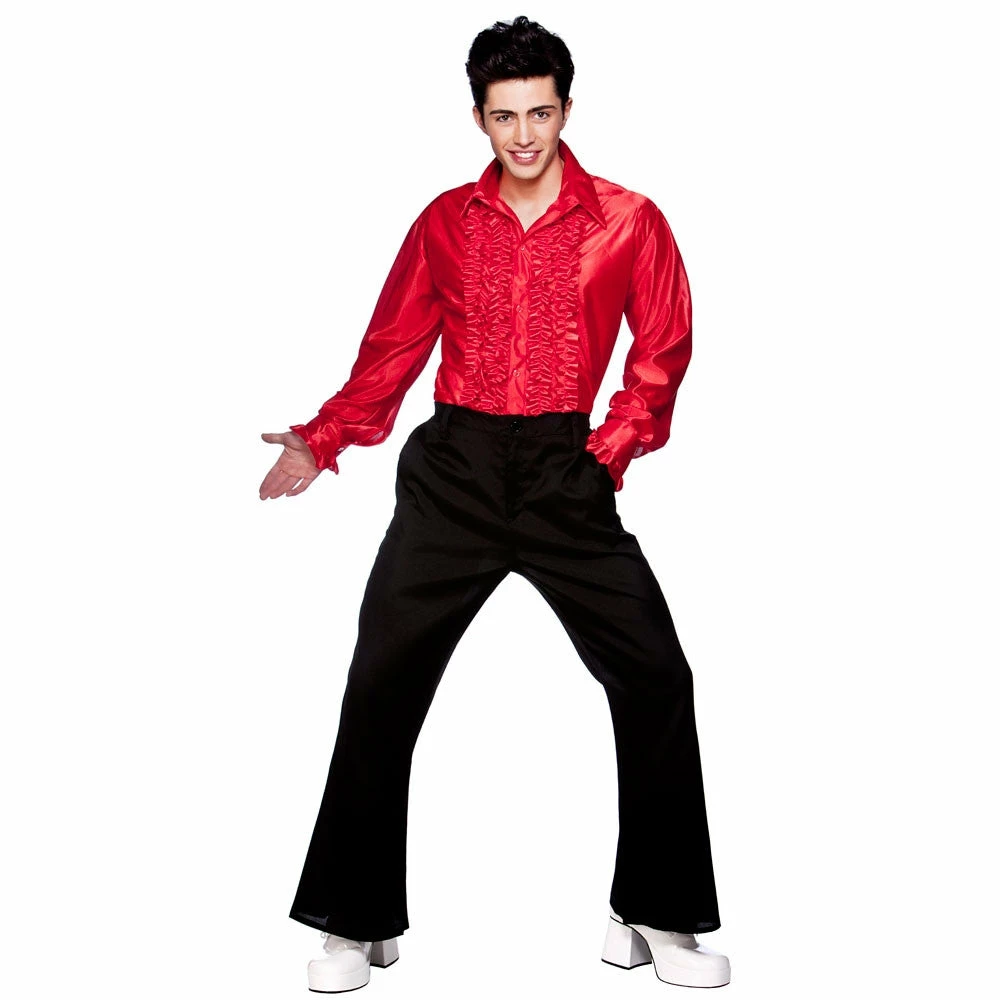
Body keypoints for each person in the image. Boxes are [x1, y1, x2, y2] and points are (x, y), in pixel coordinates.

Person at [259, 15, 730, 993]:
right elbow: (393, 347)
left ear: (567, 109)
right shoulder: (444, 220)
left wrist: (606, 454)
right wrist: (325, 436)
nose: (524, 134)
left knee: (656, 675)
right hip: (456, 475)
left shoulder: (629, 219)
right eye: (505, 115)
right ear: (478, 116)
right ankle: (354, 918)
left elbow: (661, 350)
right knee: (382, 679)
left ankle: (654, 910)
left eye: (540, 113)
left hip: (565, 471)